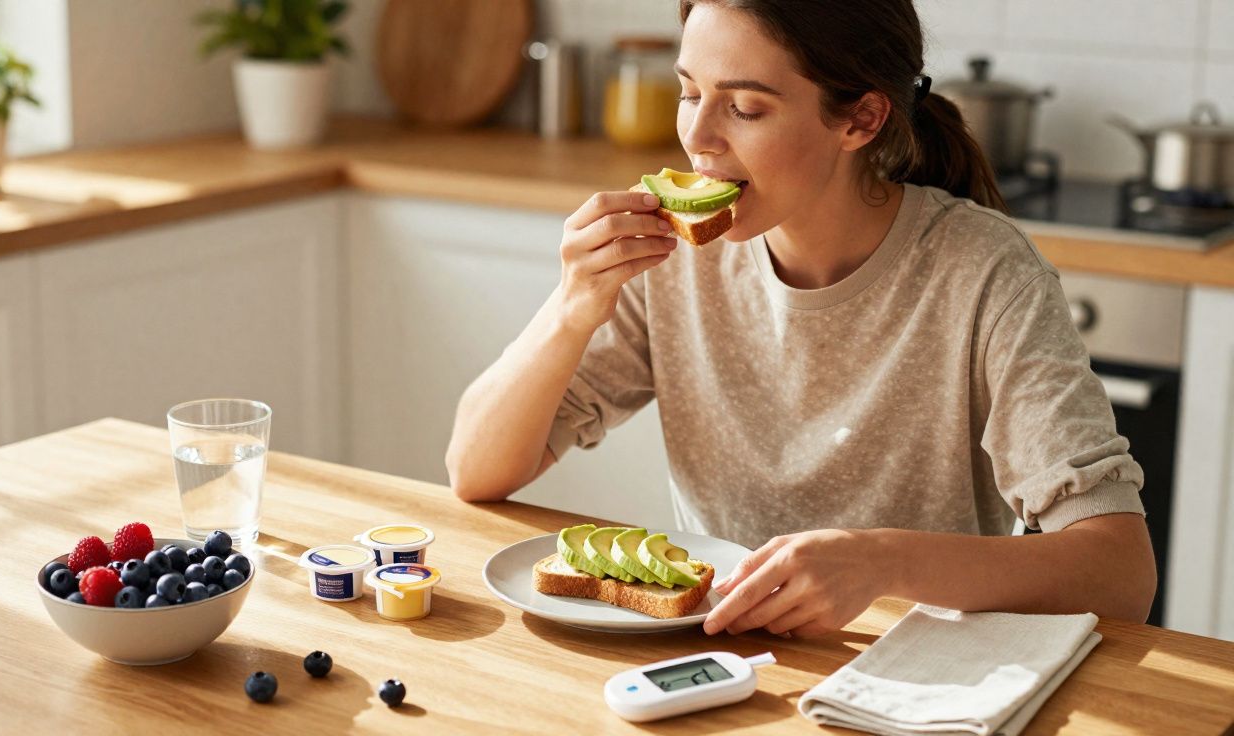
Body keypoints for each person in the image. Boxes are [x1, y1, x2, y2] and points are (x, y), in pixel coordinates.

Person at [445, 0, 1157, 636]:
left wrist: (881, 560)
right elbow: (476, 472)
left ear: (861, 118)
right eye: (688, 91)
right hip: (719, 655)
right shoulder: (675, 257)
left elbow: (1121, 574)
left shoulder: (984, 272)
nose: (699, 137)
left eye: (745, 108)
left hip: (913, 671)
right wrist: (571, 307)